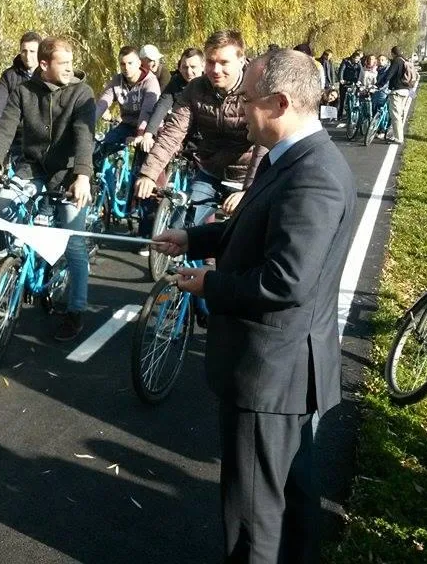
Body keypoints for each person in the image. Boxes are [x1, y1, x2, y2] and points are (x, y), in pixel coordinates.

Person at [152, 48, 356, 563]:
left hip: (272, 371)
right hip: (279, 369)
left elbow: (286, 281)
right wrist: (194, 238)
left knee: (253, 513)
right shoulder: (289, 158)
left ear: (280, 102)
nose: (240, 108)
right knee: (288, 492)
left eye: (247, 99)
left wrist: (210, 285)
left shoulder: (314, 176)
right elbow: (254, 230)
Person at [0, 36, 95, 342]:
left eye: (71, 62)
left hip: (69, 174)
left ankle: (76, 310)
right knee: (4, 203)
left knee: (74, 244)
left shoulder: (81, 93)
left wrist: (82, 176)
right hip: (33, 168)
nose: (70, 68)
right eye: (63, 63)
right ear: (44, 65)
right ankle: (12, 263)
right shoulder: (24, 91)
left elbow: (84, 136)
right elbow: (6, 127)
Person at [134, 30, 266, 228]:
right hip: (211, 170)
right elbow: (173, 132)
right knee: (182, 225)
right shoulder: (196, 89)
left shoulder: (257, 89)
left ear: (241, 61)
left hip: (248, 174)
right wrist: (149, 173)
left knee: (244, 234)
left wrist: (249, 189)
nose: (216, 70)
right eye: (211, 62)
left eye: (224, 62)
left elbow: (264, 141)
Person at [0, 31, 42, 149]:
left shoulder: (48, 74)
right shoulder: (10, 75)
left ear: (40, 53)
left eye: (32, 51)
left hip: (43, 137)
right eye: (24, 51)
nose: (27, 56)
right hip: (18, 136)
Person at [95, 46, 161, 158]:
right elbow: (103, 102)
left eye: (130, 63)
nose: (126, 68)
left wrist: (140, 135)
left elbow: (147, 111)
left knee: (145, 157)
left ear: (139, 63)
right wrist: (90, 122)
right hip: (127, 125)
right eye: (122, 64)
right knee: (101, 147)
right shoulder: (117, 80)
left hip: (148, 128)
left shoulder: (150, 82)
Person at [137, 47, 204, 153]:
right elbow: (162, 105)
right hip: (179, 131)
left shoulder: (211, 83)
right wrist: (148, 134)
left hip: (204, 136)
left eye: (193, 67)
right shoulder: (176, 81)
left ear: (203, 66)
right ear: (180, 67)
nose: (189, 72)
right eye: (185, 67)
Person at [377, 45, 413, 143]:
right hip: (405, 91)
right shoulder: (405, 60)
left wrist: (379, 84)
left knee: (395, 115)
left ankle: (398, 138)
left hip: (397, 91)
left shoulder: (396, 61)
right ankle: (395, 135)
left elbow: (389, 74)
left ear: (393, 53)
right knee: (399, 114)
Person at [336, 50, 362, 121]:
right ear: (352, 58)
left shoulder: (359, 63)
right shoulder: (346, 61)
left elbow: (361, 72)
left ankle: (353, 114)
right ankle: (340, 115)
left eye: (358, 59)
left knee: (355, 97)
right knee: (342, 98)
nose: (357, 60)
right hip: (345, 81)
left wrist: (359, 80)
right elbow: (341, 70)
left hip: (354, 81)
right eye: (356, 59)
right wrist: (341, 79)